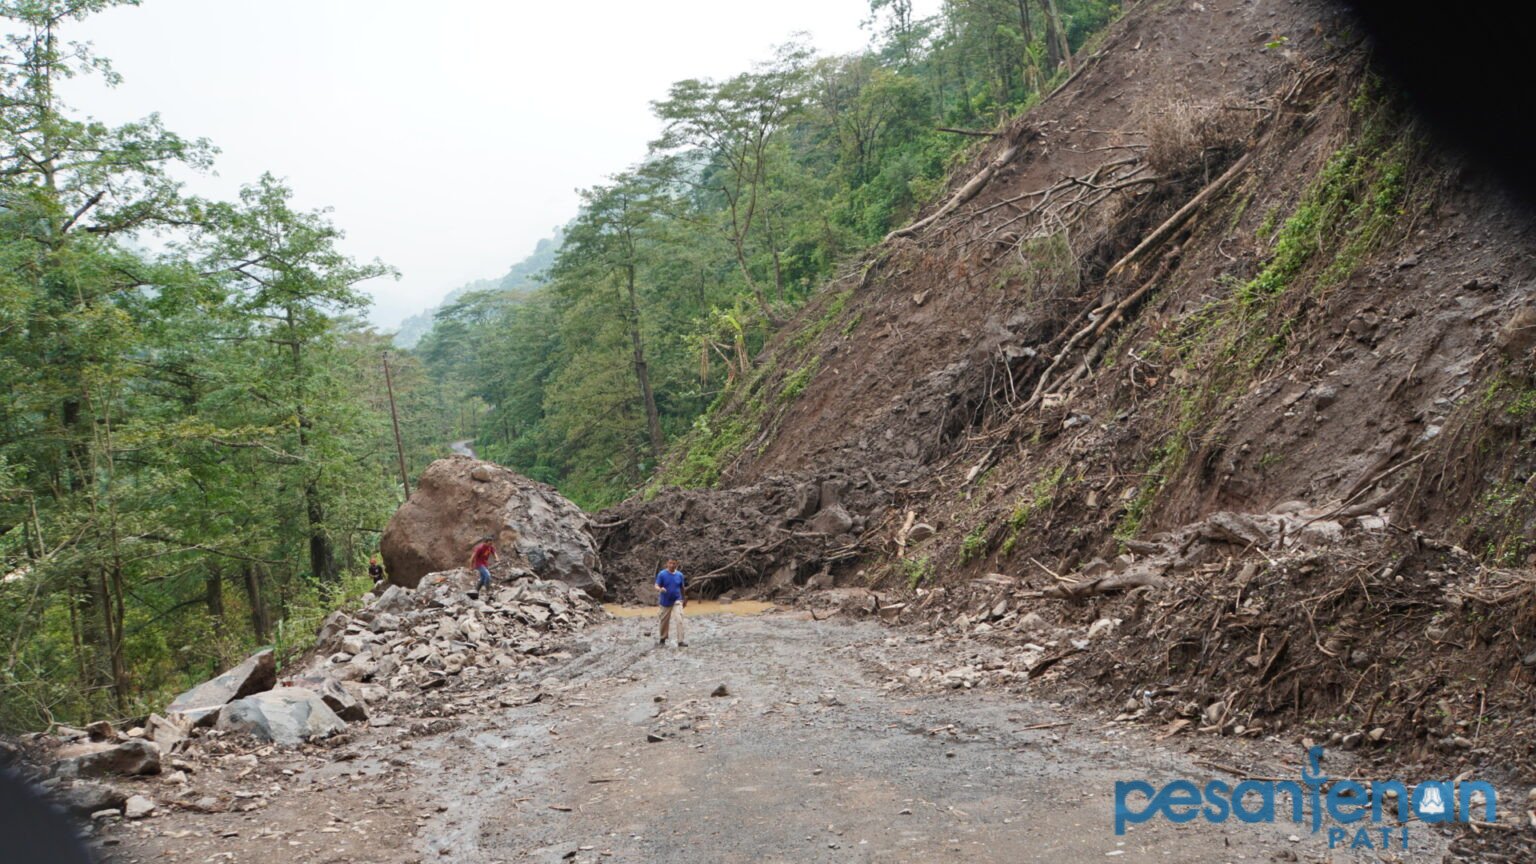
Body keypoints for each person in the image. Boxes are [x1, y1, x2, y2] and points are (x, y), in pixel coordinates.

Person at [654, 558, 686, 647]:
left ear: (677, 564)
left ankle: (680, 641)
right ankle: (662, 639)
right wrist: (660, 589)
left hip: (677, 600)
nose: (672, 565)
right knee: (664, 621)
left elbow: (682, 587)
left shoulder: (680, 575)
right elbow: (656, 585)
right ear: (667, 564)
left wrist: (684, 598)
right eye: (670, 563)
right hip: (665, 601)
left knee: (679, 620)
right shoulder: (662, 574)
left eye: (674, 564)